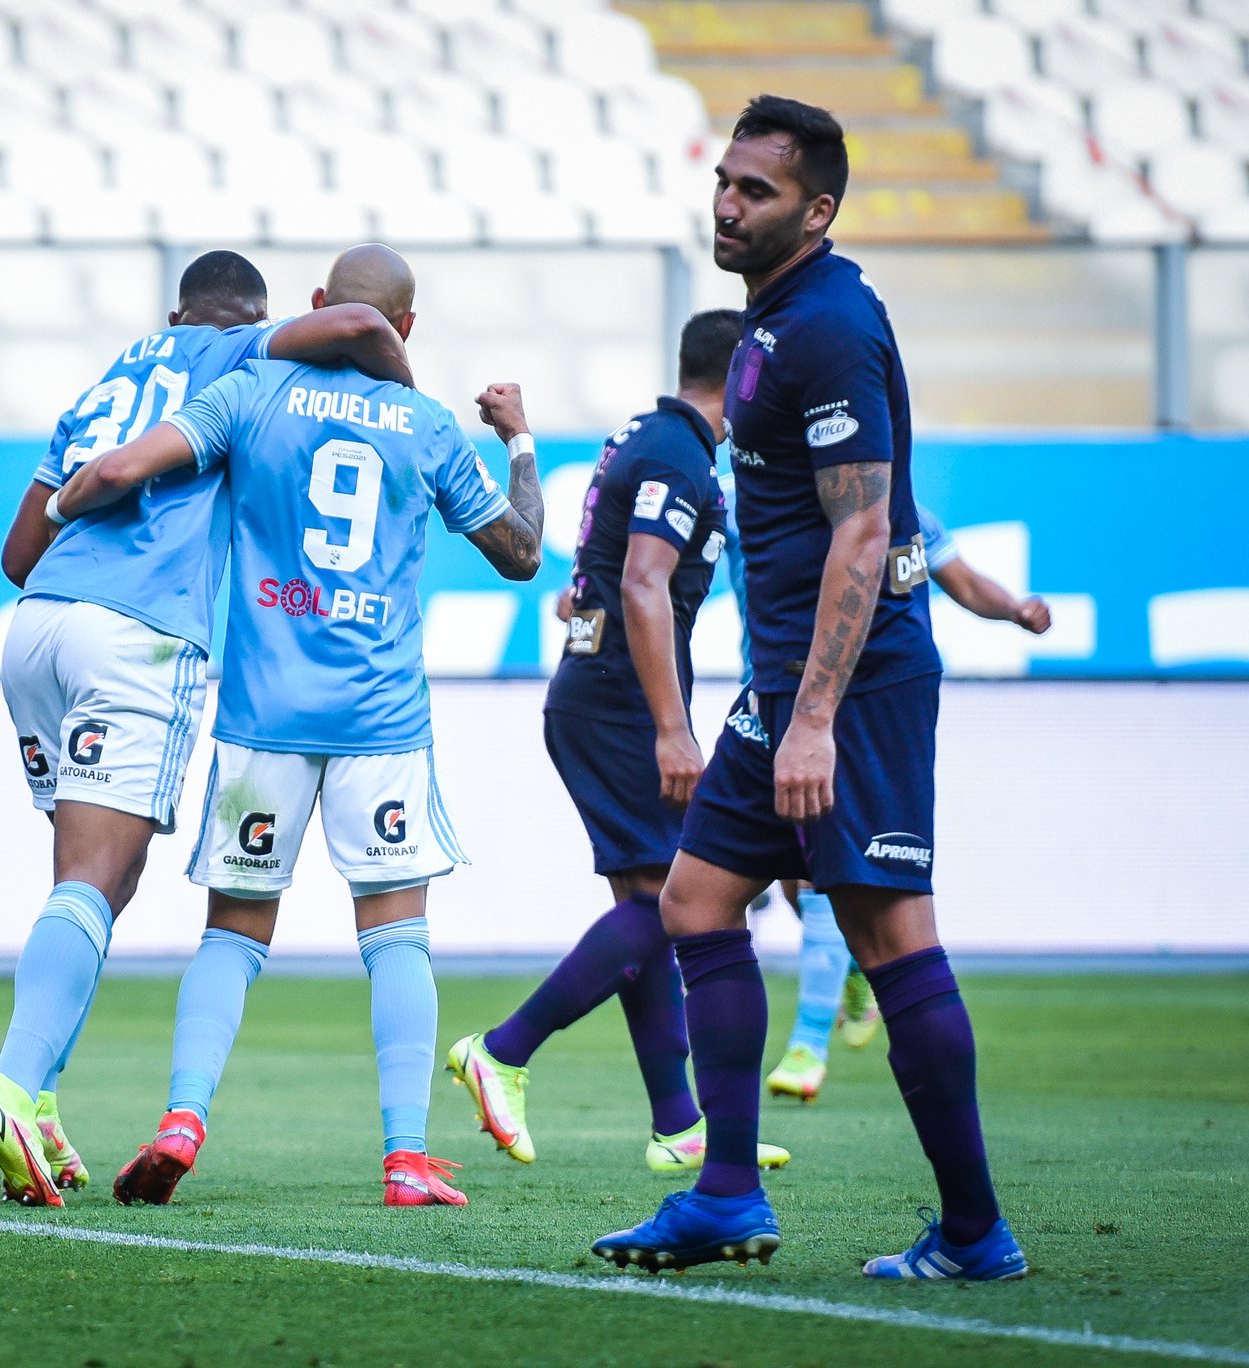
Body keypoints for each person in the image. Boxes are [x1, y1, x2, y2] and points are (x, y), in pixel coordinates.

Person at [594, 97, 1026, 1281]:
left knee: (890, 935)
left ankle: (976, 1232)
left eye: (757, 191)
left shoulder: (827, 325)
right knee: (692, 900)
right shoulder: (773, 321)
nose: (726, 204)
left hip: (855, 684)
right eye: (724, 182)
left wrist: (815, 722)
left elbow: (863, 527)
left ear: (816, 210)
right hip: (779, 683)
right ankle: (726, 1194)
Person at [56, 244, 545, 1208]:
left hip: (261, 713)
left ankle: (182, 1119)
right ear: (404, 330)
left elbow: (129, 466)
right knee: (398, 934)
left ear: (318, 307)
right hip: (379, 716)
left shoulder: (250, 392)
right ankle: (407, 1158)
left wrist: (75, 493)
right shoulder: (428, 426)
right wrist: (519, 441)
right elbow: (523, 554)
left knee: (233, 934)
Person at [0, 250, 414, 1207]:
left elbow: (16, 554)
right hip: (135, 635)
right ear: (248, 316)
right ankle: (7, 1088)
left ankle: (37, 1102)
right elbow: (363, 329)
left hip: (36, 628)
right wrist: (406, 409)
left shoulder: (106, 380)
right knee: (96, 879)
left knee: (92, 884)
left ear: (174, 309)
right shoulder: (239, 356)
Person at [444, 310, 789, 1177]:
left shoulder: (644, 437)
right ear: (742, 375)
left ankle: (678, 1125)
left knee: (652, 906)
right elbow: (643, 581)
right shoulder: (678, 453)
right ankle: (504, 1050)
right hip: (623, 702)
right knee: (671, 905)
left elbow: (605, 571)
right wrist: (674, 729)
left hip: (600, 690)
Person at [766, 503, 1053, 1102]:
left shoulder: (912, 516)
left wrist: (1015, 610)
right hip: (776, 693)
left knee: (827, 874)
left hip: (863, 703)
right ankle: (847, 970)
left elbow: (966, 582)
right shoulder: (763, 494)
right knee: (793, 876)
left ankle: (807, 1045)